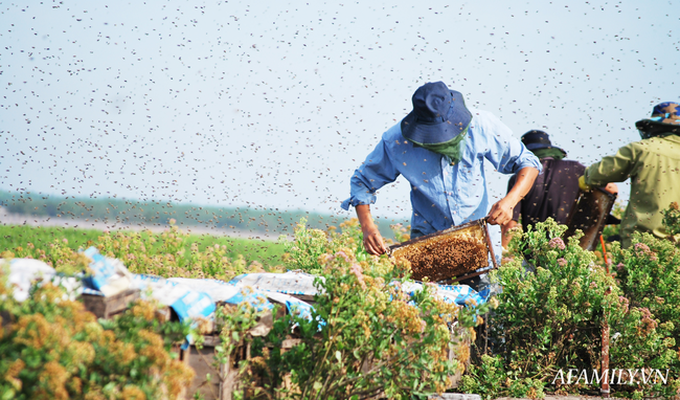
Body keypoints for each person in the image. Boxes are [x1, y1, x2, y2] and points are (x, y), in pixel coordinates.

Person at [340, 81, 542, 276]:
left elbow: (527, 162)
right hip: (428, 247)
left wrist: (510, 202)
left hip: (480, 245)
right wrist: (368, 227)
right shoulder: (396, 140)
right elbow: (362, 182)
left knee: (484, 307)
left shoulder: (481, 125)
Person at [580, 101, 680, 248]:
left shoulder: (643, 149)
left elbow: (599, 173)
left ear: (653, 126)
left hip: (643, 241)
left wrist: (585, 178)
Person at [501, 130, 618, 248]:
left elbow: (510, 223)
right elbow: (612, 189)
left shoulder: (520, 179)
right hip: (574, 249)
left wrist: (502, 251)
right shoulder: (575, 169)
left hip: (535, 251)